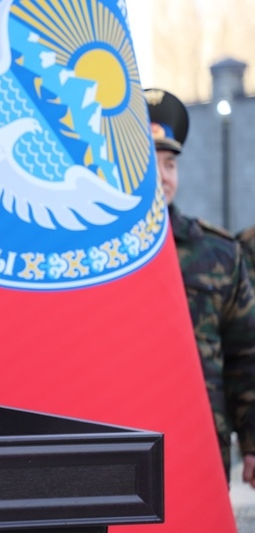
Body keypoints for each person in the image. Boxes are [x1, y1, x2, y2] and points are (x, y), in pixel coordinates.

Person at [145, 88, 255, 488]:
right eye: (148, 161)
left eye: (170, 164)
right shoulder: (88, 257)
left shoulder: (218, 253)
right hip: (115, 444)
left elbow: (246, 355)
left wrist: (252, 442)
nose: (162, 176)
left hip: (200, 451)